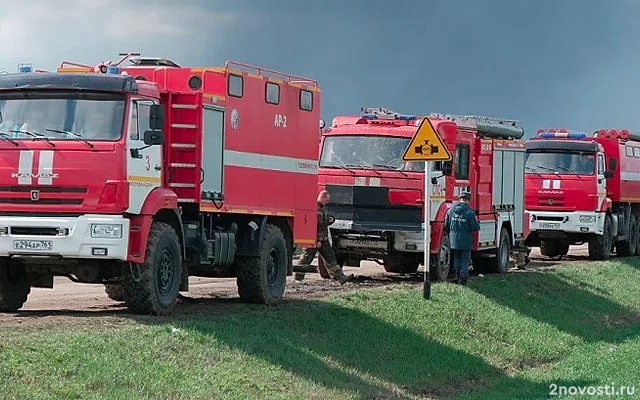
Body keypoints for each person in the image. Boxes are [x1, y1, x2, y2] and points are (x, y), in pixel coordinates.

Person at [293, 190, 353, 285]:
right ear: (323, 197)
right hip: (315, 240)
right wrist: (316, 240)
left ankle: (339, 277)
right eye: (327, 200)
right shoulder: (313, 208)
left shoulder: (323, 208)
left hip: (323, 239)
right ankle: (298, 277)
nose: (328, 202)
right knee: (306, 258)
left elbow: (324, 221)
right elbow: (312, 226)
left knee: (331, 258)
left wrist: (331, 219)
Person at [443, 192, 480, 285]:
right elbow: (475, 227)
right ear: (467, 200)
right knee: (464, 259)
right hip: (466, 240)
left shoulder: (450, 211)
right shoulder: (470, 212)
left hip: (453, 240)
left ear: (459, 199)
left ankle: (456, 275)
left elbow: (446, 225)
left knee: (456, 257)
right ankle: (462, 278)